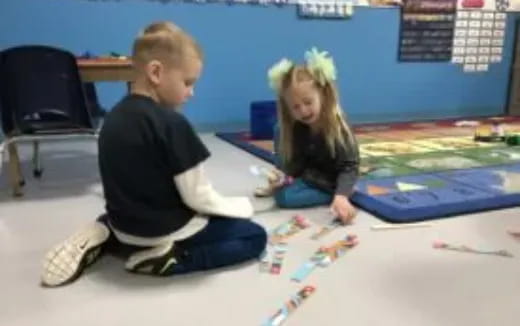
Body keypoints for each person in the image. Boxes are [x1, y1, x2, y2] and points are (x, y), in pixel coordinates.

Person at [41, 21, 266, 287]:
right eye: (188, 82)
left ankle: (107, 231)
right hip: (164, 230)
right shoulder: (172, 124)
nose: (191, 93)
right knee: (253, 237)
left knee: (139, 203)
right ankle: (170, 260)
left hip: (123, 221)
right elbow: (198, 197)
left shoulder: (113, 117)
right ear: (156, 73)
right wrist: (240, 207)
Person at [256, 48, 360, 224]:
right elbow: (298, 161)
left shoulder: (338, 127)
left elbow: (349, 166)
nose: (303, 111)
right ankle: (282, 181)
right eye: (295, 107)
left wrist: (341, 196)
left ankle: (343, 193)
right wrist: (283, 177)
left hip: (328, 181)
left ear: (323, 96)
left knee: (285, 199)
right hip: (308, 175)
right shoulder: (296, 126)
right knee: (280, 129)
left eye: (308, 102)